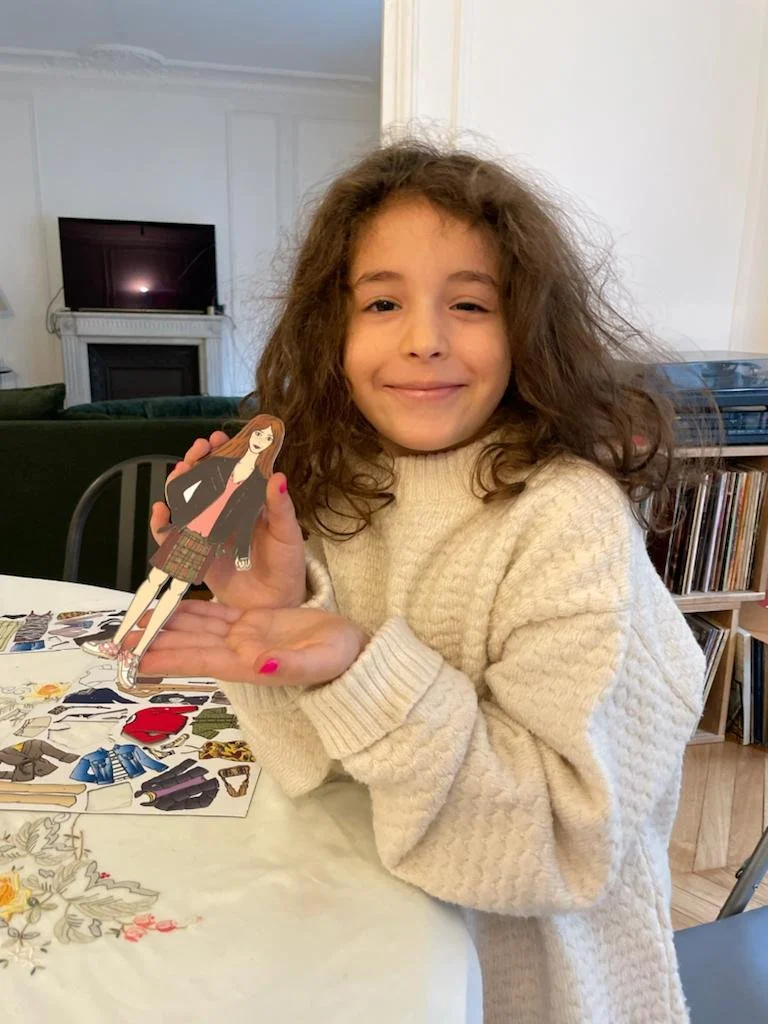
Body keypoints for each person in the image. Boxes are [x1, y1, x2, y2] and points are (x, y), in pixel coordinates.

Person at [130, 140, 705, 1023]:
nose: (424, 338)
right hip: (366, 926)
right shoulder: (332, 483)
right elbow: (312, 774)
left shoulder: (567, 521)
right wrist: (279, 616)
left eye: (469, 304)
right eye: (383, 302)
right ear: (334, 328)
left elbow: (553, 851)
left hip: (526, 978)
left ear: (529, 327)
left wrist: (358, 665)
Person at [83, 414, 283, 689]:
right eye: (258, 434)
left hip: (208, 542)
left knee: (176, 591)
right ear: (249, 434)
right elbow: (179, 487)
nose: (261, 441)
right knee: (155, 581)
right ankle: (116, 642)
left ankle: (137, 654)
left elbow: (247, 520)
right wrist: (181, 509)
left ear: (273, 446)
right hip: (186, 530)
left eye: (268, 439)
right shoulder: (219, 463)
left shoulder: (259, 482)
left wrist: (242, 551)